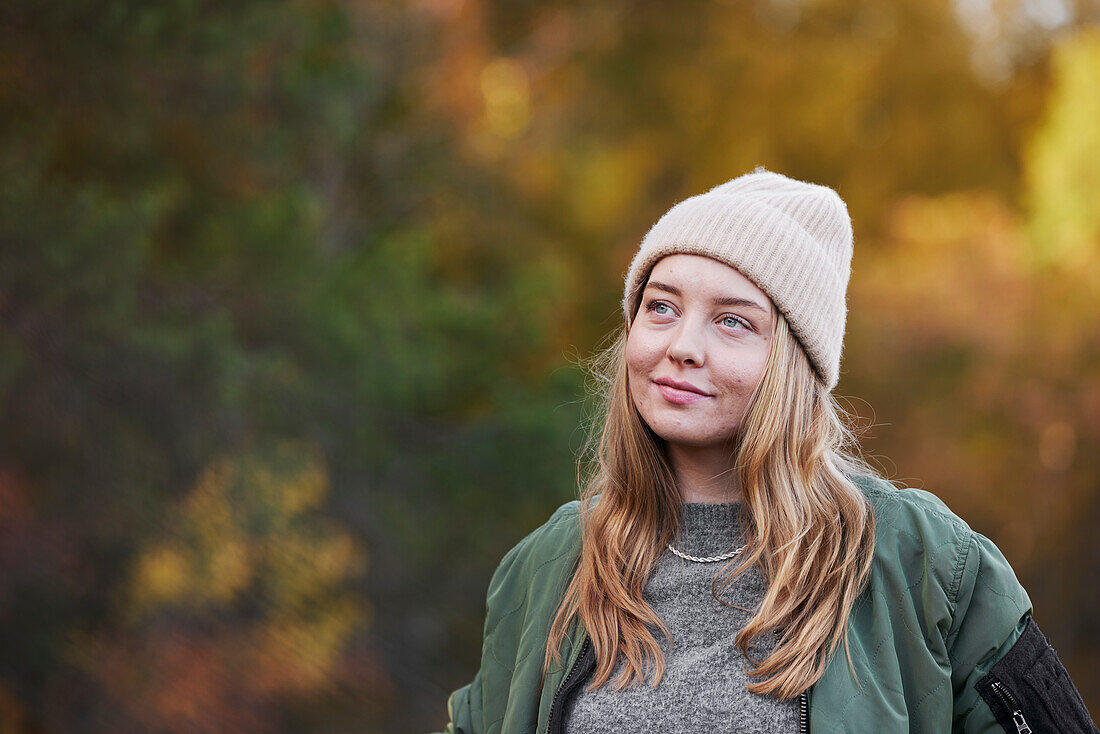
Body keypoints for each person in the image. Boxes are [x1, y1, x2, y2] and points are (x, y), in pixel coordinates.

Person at [436, 168, 1097, 733]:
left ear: (792, 364)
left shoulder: (924, 565)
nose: (682, 345)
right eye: (661, 308)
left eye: (733, 321)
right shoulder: (549, 566)